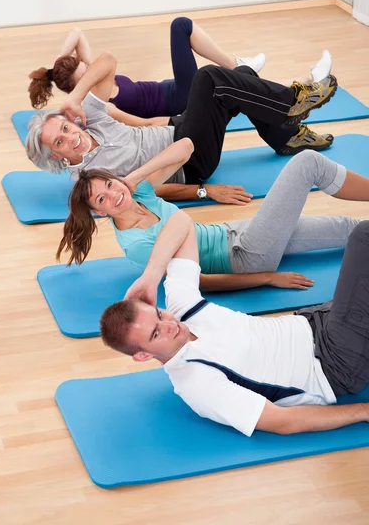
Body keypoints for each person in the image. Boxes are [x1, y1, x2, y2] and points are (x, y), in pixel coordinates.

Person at [100, 209, 369, 437]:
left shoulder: (183, 308)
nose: (169, 323)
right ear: (144, 355)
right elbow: (281, 422)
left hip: (319, 319)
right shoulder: (196, 383)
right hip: (333, 362)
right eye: (156, 333)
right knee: (363, 238)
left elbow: (181, 221)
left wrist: (151, 275)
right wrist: (364, 411)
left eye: (159, 314)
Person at [26, 47, 337, 204]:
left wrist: (77, 97)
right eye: (59, 142)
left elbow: (107, 60)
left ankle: (286, 137)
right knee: (209, 78)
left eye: (64, 129)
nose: (70, 137)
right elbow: (151, 192)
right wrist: (205, 191)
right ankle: (290, 104)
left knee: (240, 76)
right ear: (56, 156)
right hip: (190, 160)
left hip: (180, 127)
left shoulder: (85, 120)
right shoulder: (88, 179)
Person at [57, 142, 369, 293]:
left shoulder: (137, 193)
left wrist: (134, 177)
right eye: (102, 198)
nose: (113, 195)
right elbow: (199, 282)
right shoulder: (137, 244)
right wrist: (267, 278)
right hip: (245, 256)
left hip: (237, 232)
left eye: (110, 184)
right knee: (307, 162)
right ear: (99, 212)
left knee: (349, 230)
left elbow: (186, 148)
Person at [28, 19, 266, 127]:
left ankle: (241, 71)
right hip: (181, 100)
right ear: (79, 89)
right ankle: (236, 67)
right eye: (85, 75)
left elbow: (77, 32)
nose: (91, 71)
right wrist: (179, 123)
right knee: (180, 26)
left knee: (222, 82)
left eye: (87, 66)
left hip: (171, 86)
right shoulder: (100, 100)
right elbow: (142, 124)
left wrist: (60, 59)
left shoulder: (94, 73)